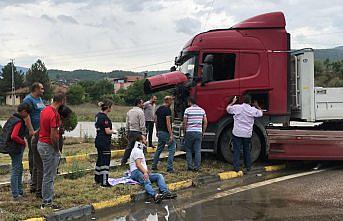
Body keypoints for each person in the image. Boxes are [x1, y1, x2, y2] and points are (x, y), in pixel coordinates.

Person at [37, 92, 66, 209]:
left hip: (41, 143)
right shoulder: (54, 114)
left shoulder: (45, 110)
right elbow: (53, 135)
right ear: (62, 101)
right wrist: (57, 149)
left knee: (47, 173)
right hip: (48, 146)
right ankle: (47, 202)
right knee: (49, 175)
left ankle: (48, 197)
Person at [130, 135, 176, 203]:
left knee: (159, 176)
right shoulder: (137, 150)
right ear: (140, 141)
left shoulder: (139, 149)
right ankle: (155, 196)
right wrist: (145, 172)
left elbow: (141, 165)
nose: (146, 141)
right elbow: (138, 164)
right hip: (136, 172)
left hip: (141, 171)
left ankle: (165, 192)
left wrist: (146, 171)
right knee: (146, 181)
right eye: (145, 139)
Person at [0, 103, 31, 200]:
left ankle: (19, 191)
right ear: (23, 112)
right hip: (15, 148)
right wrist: (23, 142)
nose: (28, 114)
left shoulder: (12, 118)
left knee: (19, 168)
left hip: (10, 147)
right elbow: (14, 136)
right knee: (16, 170)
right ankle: (15, 194)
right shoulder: (18, 122)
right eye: (27, 112)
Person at [226, 95, 263, 172]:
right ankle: (248, 166)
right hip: (247, 134)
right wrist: (257, 106)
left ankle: (236, 167)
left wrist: (233, 102)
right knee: (246, 150)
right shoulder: (252, 110)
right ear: (250, 102)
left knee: (237, 150)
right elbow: (260, 113)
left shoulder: (237, 107)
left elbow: (228, 109)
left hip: (237, 133)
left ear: (243, 100)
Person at [23, 82, 45, 196]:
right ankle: (34, 183)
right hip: (33, 132)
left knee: (39, 158)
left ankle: (37, 182)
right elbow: (26, 117)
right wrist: (31, 131)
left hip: (41, 132)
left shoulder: (40, 99)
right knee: (34, 158)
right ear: (35, 89)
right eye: (41, 88)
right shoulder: (28, 100)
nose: (43, 90)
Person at [152, 96, 176, 173]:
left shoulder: (158, 109)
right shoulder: (167, 110)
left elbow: (155, 120)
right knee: (172, 148)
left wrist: (157, 131)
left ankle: (154, 165)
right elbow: (168, 123)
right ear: (168, 101)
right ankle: (169, 168)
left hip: (160, 132)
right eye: (171, 101)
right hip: (165, 132)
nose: (172, 102)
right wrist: (171, 134)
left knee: (159, 149)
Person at [183, 97, 207, 172]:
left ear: (190, 102)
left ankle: (190, 166)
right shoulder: (202, 110)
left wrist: (184, 132)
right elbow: (206, 122)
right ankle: (197, 167)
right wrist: (203, 132)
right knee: (197, 150)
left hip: (189, 132)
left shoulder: (187, 110)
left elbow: (184, 122)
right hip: (198, 132)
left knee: (189, 149)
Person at [94, 100, 116, 187]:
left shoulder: (98, 116)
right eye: (111, 106)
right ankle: (104, 181)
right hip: (104, 142)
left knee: (100, 159)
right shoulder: (105, 118)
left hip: (98, 140)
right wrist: (113, 131)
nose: (112, 108)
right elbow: (107, 131)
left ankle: (97, 178)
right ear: (108, 107)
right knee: (105, 161)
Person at [121, 98, 146, 165]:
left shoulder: (129, 111)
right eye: (142, 103)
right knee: (140, 147)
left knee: (129, 147)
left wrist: (126, 131)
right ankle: (139, 162)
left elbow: (127, 123)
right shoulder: (140, 112)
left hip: (131, 131)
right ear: (138, 104)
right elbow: (142, 124)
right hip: (137, 132)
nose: (143, 104)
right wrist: (143, 134)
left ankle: (124, 161)